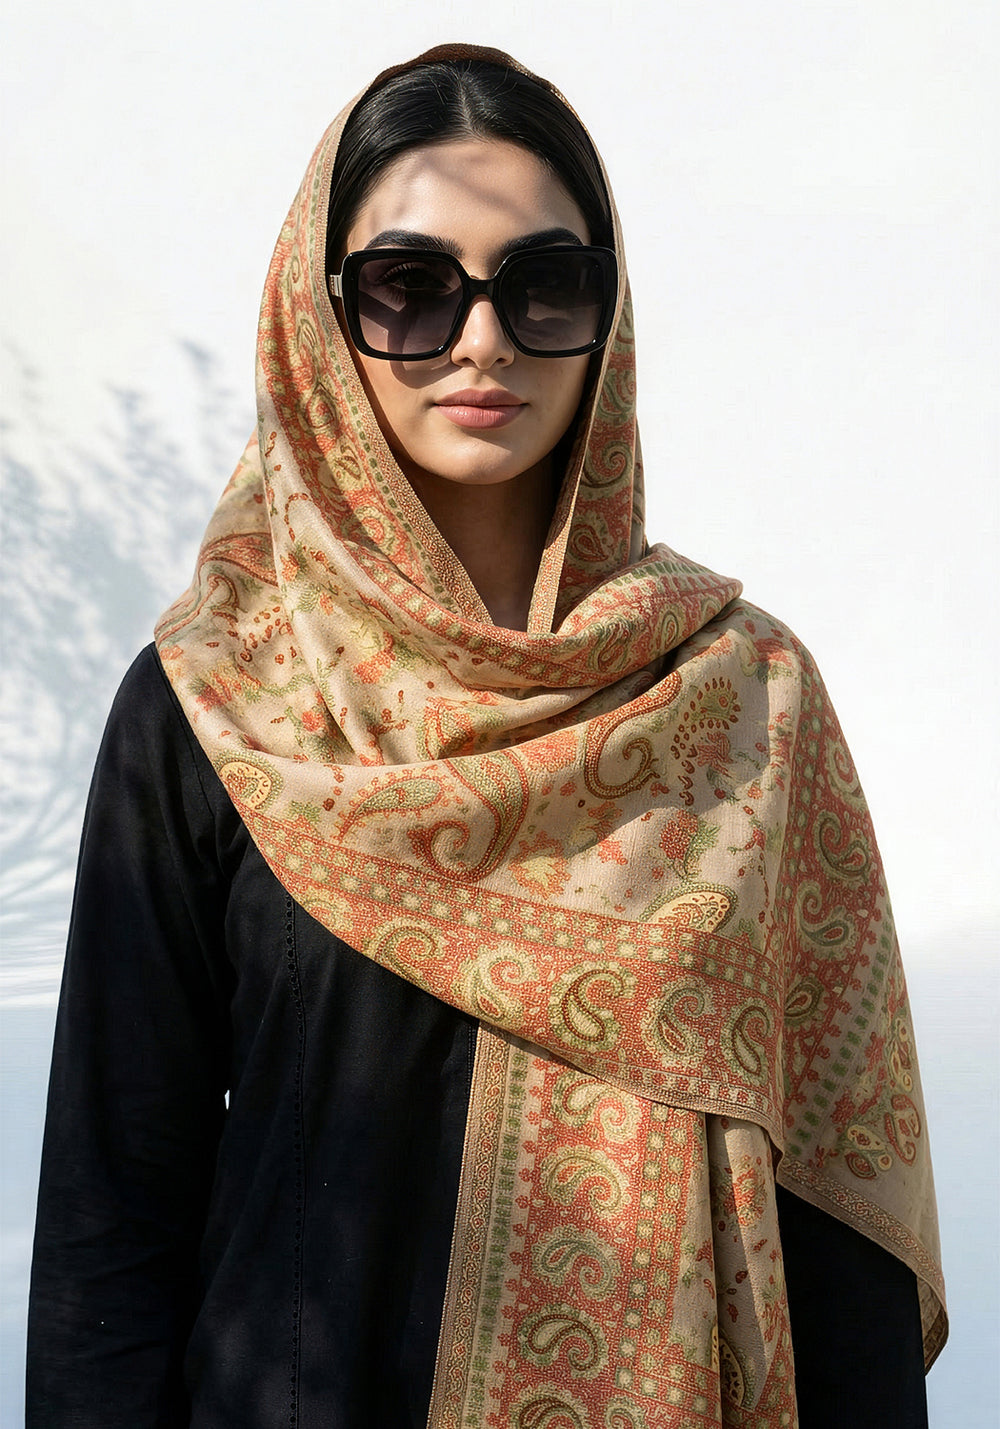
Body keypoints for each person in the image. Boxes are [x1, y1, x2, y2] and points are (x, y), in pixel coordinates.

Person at [27, 44, 946, 1429]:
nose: (481, 340)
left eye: (544, 283)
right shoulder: (213, 702)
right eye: (409, 285)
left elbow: (838, 1188)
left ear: (606, 315)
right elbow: (114, 1215)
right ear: (321, 317)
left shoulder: (743, 699)